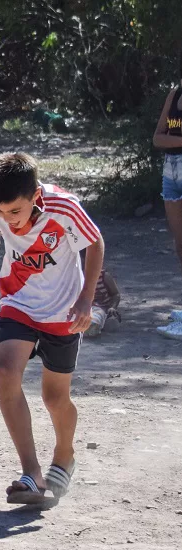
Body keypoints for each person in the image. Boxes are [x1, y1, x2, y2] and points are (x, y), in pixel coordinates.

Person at [0, 153, 104, 505]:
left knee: (54, 398)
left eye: (15, 212)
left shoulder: (64, 207)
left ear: (36, 198)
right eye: (2, 212)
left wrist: (86, 299)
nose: (8, 221)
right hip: (18, 301)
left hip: (63, 310)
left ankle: (65, 454)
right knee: (3, 370)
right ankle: (32, 474)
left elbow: (95, 243)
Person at [152, 52, 182, 338]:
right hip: (171, 170)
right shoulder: (175, 93)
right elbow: (157, 137)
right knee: (179, 244)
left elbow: (165, 138)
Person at [84, 268, 121, 338]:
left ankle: (92, 326)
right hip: (85, 306)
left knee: (99, 313)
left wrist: (113, 307)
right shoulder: (77, 277)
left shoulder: (104, 276)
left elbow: (115, 294)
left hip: (102, 308)